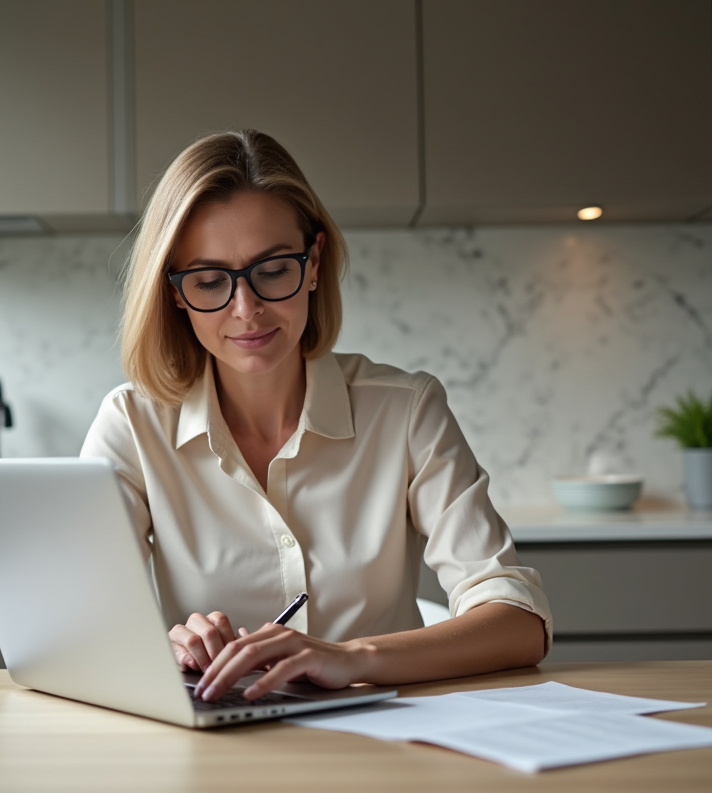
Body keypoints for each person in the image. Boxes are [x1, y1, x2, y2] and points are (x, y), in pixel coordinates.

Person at [81, 130, 551, 703]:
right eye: (208, 281)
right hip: (214, 744)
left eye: (273, 269)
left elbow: (518, 622)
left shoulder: (406, 410)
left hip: (382, 740)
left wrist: (353, 657)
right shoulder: (132, 423)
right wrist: (168, 647)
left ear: (313, 262)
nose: (246, 309)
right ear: (176, 292)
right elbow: (77, 625)